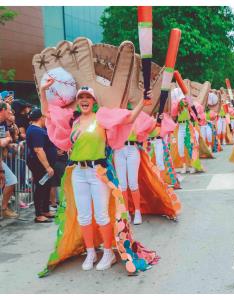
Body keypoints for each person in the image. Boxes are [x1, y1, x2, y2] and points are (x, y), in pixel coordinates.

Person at [40, 79, 158, 274]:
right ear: (77, 101)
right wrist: (44, 91)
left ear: (93, 101)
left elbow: (128, 119)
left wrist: (141, 104)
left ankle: (108, 252)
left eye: (88, 97)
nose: (84, 100)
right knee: (84, 216)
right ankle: (90, 252)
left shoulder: (102, 117)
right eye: (81, 97)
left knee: (101, 214)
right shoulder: (73, 119)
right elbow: (47, 112)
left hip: (98, 172)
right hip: (78, 172)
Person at [26, 108, 57, 223]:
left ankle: (45, 210)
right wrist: (47, 166)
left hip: (43, 165)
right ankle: (39, 214)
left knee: (46, 187)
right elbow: (38, 149)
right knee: (40, 188)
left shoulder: (38, 129)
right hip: (40, 165)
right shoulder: (35, 131)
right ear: (41, 118)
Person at [0, 101, 18, 218]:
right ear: (2, 110)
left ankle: (4, 208)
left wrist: (6, 142)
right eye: (9, 110)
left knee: (11, 180)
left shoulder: (3, 123)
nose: (11, 112)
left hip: (1, 158)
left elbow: (8, 138)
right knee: (10, 180)